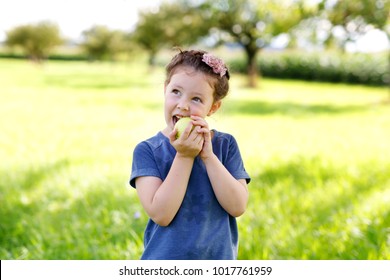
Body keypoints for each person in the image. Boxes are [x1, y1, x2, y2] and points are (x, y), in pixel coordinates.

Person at [129, 49, 250, 260]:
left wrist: (208, 157)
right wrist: (184, 156)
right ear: (165, 89)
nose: (183, 105)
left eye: (196, 99)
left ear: (213, 107)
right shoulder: (148, 150)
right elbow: (161, 214)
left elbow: (238, 206)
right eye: (176, 91)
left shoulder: (225, 145)